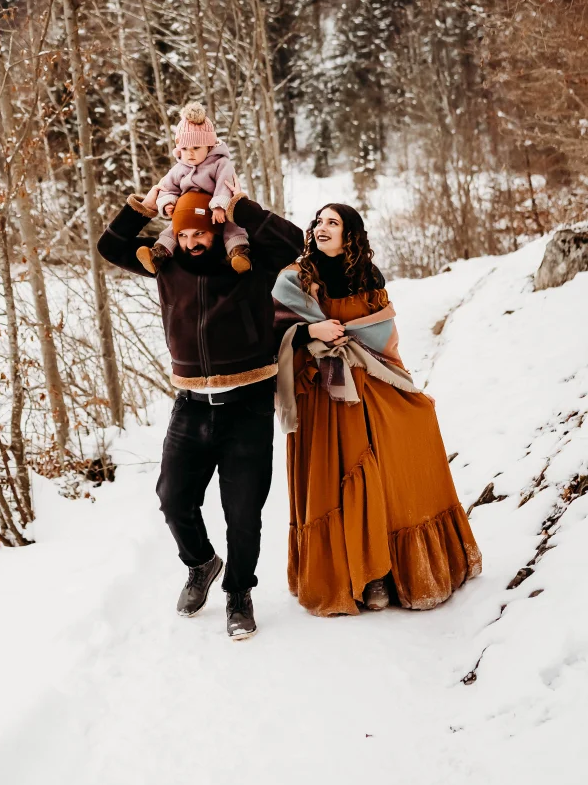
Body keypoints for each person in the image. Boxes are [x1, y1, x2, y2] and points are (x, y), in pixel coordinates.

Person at [98, 185, 303, 638]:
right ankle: (202, 564)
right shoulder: (164, 264)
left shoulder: (246, 262)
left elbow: (294, 242)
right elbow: (110, 247)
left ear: (214, 229)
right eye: (182, 232)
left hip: (247, 405)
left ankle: (238, 595)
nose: (190, 241)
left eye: (199, 232)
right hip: (191, 405)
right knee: (173, 499)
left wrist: (240, 207)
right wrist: (142, 210)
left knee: (243, 513)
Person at [273, 204, 481, 617]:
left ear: (351, 234)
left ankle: (383, 572)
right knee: (340, 478)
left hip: (368, 387)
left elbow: (385, 342)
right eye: (318, 222)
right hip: (323, 394)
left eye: (333, 223)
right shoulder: (294, 279)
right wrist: (310, 330)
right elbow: (269, 329)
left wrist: (408, 387)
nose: (321, 228)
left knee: (384, 472)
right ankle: (358, 578)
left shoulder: (368, 278)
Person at [135, 103, 251, 275]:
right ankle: (158, 254)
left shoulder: (220, 163)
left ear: (209, 146)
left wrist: (220, 205)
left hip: (215, 212)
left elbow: (225, 184)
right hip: (188, 213)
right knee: (174, 229)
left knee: (232, 227)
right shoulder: (179, 168)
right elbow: (167, 187)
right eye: (184, 149)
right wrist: (168, 202)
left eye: (196, 148)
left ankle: (238, 253)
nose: (190, 154)